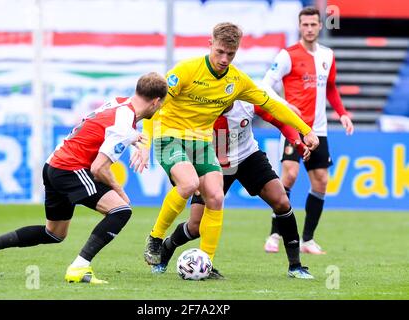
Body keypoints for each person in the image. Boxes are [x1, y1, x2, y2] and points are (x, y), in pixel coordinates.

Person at [132, 22, 319, 279]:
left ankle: (206, 264)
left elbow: (273, 107)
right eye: (220, 52)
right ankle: (155, 238)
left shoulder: (238, 81)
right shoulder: (185, 71)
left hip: (204, 143)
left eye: (230, 54)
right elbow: (153, 103)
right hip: (171, 137)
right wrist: (143, 142)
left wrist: (305, 130)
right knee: (187, 185)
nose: (224, 59)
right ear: (210, 44)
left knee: (217, 198)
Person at [0, 72, 168, 284]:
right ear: (155, 101)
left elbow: (99, 129)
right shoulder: (124, 125)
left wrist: (134, 138)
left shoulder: (118, 103)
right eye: (161, 104)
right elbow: (99, 168)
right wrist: (120, 191)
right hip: (70, 168)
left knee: (54, 233)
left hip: (54, 164)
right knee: (121, 210)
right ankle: (79, 267)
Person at [149, 99, 314, 279]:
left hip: (248, 157)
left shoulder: (247, 101)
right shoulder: (201, 107)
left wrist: (297, 142)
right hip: (212, 163)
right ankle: (167, 247)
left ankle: (295, 266)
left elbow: (279, 119)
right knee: (196, 226)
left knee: (282, 202)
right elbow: (184, 138)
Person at [262, 7, 354, 254]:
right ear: (299, 26)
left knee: (322, 181)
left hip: (320, 130)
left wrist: (343, 114)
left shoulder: (328, 55)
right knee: (289, 175)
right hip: (294, 127)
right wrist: (284, 104)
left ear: (320, 26)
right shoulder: (287, 55)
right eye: (305, 25)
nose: (310, 29)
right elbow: (264, 85)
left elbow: (332, 88)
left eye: (314, 24)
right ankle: (274, 234)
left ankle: (308, 240)